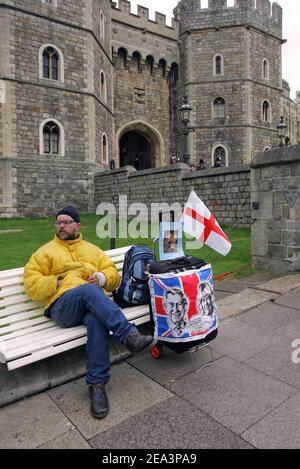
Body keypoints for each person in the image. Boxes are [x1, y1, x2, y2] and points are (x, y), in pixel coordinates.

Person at [23, 206, 154, 420]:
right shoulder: (44, 252)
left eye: (66, 222)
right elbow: (31, 284)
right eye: (58, 222)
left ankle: (97, 384)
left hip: (90, 306)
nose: (62, 226)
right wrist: (55, 281)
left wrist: (102, 278)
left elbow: (112, 274)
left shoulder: (92, 249)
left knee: (95, 320)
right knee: (88, 290)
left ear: (77, 225)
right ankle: (127, 334)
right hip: (62, 307)